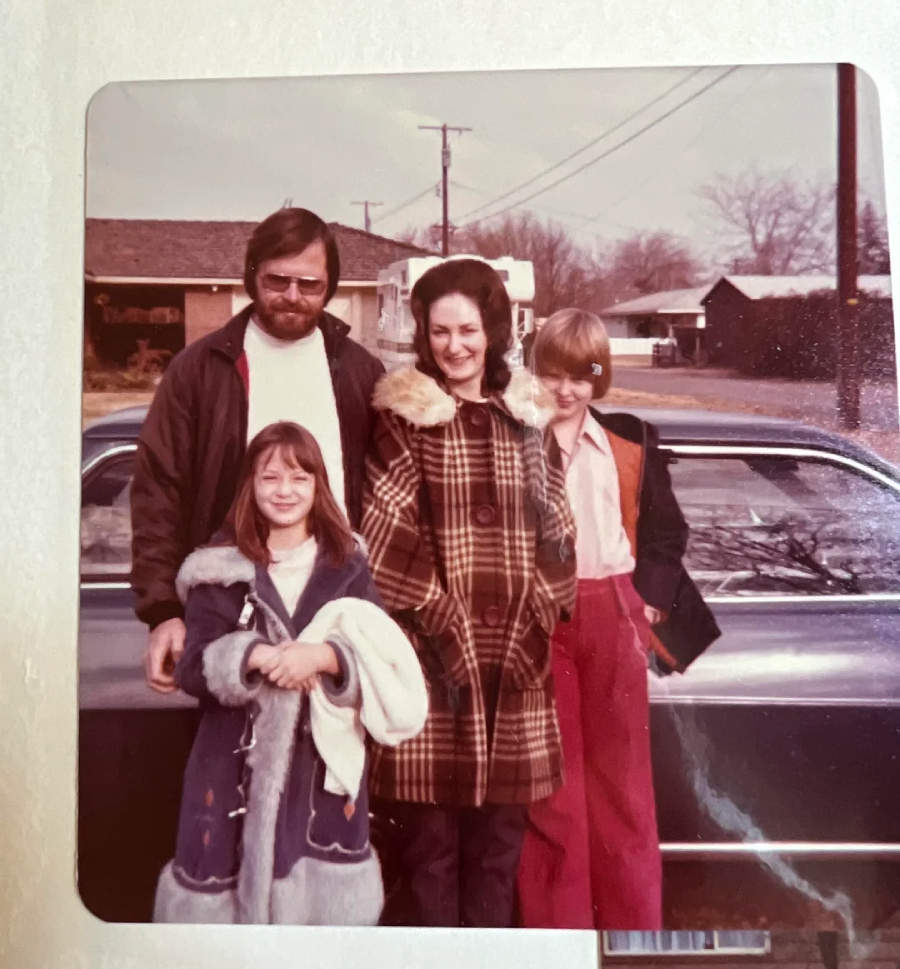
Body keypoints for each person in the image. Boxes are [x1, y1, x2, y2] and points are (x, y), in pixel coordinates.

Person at [360, 258, 578, 928]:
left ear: (495, 330)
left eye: (468, 330)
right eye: (439, 332)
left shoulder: (528, 415)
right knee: (430, 853)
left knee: (497, 853)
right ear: (422, 336)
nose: (454, 346)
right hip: (432, 666)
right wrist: (439, 623)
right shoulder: (406, 415)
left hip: (516, 665)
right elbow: (383, 528)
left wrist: (537, 618)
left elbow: (560, 527)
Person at [152, 422, 428, 925]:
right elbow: (192, 668)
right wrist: (253, 656)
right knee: (224, 922)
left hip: (318, 771)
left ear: (318, 486)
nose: (284, 491)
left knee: (316, 923)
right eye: (270, 478)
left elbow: (380, 656)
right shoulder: (219, 569)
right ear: (250, 486)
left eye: (299, 478)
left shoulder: (347, 566)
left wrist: (324, 658)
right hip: (230, 768)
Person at [516, 308, 721, 930]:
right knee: (552, 794)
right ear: (536, 375)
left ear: (599, 379)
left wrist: (648, 600)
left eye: (583, 376)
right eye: (554, 375)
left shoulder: (629, 438)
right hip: (542, 615)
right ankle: (561, 938)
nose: (567, 390)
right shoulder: (517, 442)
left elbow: (665, 532)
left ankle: (632, 932)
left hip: (614, 608)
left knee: (623, 787)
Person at [130, 207, 385, 696]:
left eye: (309, 284)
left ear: (329, 287)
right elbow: (159, 491)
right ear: (252, 276)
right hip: (229, 613)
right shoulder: (200, 370)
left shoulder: (358, 372)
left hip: (333, 609)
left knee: (331, 768)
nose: (292, 295)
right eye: (277, 280)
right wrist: (162, 611)